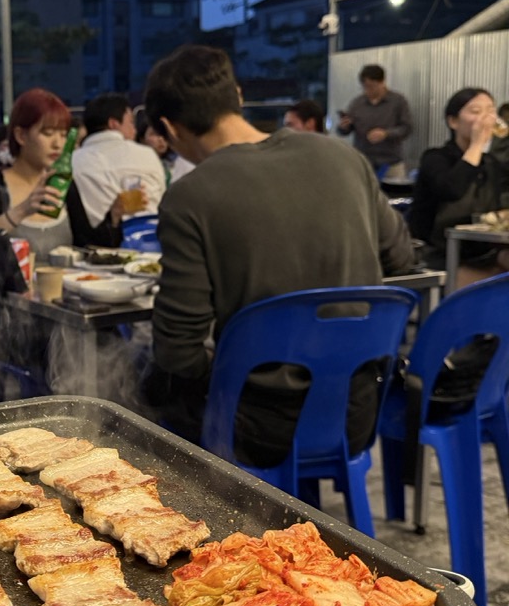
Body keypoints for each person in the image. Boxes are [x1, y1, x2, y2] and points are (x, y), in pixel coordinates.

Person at [142, 44, 414, 465]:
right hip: (354, 415)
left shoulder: (189, 196)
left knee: (145, 388)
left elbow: (178, 351)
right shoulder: (344, 157)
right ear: (237, 95)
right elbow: (400, 259)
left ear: (169, 128)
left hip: (253, 429)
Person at [0, 88, 123, 265]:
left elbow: (88, 245)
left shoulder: (63, 185)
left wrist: (114, 217)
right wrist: (22, 211)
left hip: (65, 289)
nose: (57, 144)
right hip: (13, 292)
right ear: (21, 136)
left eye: (63, 135)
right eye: (47, 133)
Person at [409, 87, 509, 285]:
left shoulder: (491, 163)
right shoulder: (435, 158)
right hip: (437, 256)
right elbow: (452, 189)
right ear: (453, 121)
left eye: (490, 111)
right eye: (475, 111)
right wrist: (477, 145)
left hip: (482, 252)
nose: (486, 119)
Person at [71, 92, 166, 223]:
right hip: (149, 236)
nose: (135, 130)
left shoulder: (74, 161)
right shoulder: (146, 154)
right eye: (131, 123)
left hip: (93, 240)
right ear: (113, 124)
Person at [336, 65, 412, 179]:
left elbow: (407, 128)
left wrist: (386, 134)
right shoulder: (357, 103)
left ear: (382, 82)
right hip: (364, 162)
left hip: (391, 163)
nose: (368, 90)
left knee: (393, 195)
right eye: (365, 87)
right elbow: (344, 131)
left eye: (372, 86)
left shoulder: (398, 101)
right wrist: (344, 126)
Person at [136, 111, 194, 186]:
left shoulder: (176, 165)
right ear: (142, 139)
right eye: (154, 134)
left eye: (163, 134)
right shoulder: (138, 167)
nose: (161, 139)